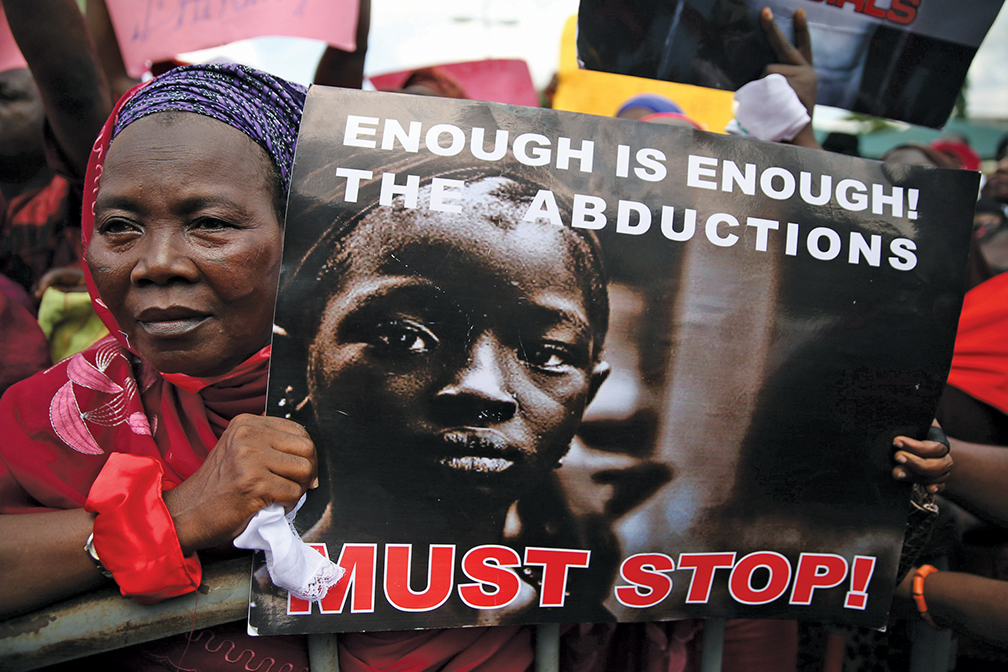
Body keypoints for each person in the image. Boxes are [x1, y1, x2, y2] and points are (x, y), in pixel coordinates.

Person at [0, 62, 319, 668]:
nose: (156, 263)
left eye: (211, 224)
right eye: (120, 227)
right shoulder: (58, 412)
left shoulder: (427, 394)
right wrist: (177, 516)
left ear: (305, 231)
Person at [258, 165, 611, 626]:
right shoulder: (234, 617)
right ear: (294, 365)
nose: (481, 388)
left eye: (546, 353)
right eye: (403, 337)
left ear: (587, 396)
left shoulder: (585, 640)